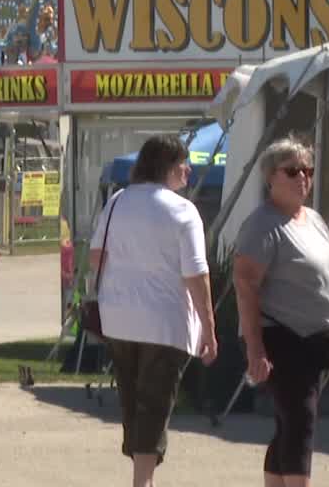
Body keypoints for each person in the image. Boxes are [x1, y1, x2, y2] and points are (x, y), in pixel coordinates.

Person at [91, 135, 217, 487]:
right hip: (166, 322)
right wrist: (209, 329)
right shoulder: (183, 210)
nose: (188, 170)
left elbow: (96, 257)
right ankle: (142, 482)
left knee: (132, 403)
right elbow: (196, 274)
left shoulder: (117, 202)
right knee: (155, 405)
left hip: (118, 318)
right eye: (184, 163)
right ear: (168, 167)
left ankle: (141, 477)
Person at [233, 137, 329, 487]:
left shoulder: (313, 219)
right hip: (284, 337)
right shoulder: (263, 224)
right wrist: (255, 348)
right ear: (270, 177)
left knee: (288, 423)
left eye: (307, 171)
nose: (303, 178)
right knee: (300, 420)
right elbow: (246, 284)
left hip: (318, 339)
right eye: (292, 171)